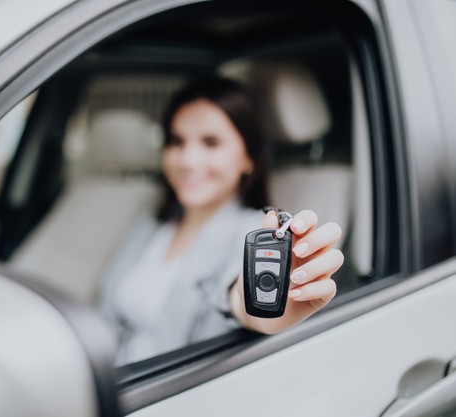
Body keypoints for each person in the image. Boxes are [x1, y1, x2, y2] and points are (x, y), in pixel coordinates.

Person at [99, 76, 343, 365]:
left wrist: (259, 308)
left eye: (211, 143)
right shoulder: (151, 223)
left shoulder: (257, 233)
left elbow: (233, 296)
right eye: (176, 141)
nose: (188, 160)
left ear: (248, 157)